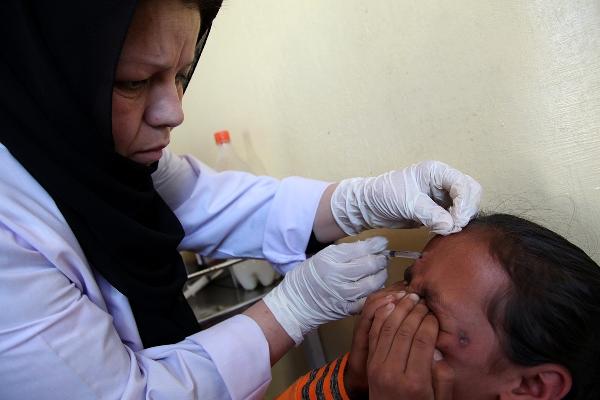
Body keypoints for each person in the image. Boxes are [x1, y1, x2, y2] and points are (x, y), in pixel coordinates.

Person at [0, 0, 482, 399]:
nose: (174, 112)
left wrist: (359, 201)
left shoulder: (101, 156)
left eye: (182, 74)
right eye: (134, 82)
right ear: (52, 72)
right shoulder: (10, 232)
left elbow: (207, 202)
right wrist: (290, 311)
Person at [277, 213, 600, 400]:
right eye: (406, 282)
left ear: (532, 386)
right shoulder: (368, 382)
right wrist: (351, 384)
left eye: (426, 309)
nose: (384, 305)